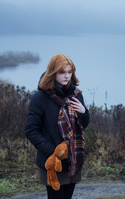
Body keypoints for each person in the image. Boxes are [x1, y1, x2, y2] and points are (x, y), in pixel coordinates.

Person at [26, 53, 90, 199]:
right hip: (53, 162)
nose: (67, 76)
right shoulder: (40, 98)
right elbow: (31, 130)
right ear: (53, 72)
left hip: (73, 160)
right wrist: (54, 152)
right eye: (62, 72)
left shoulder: (77, 95)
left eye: (69, 72)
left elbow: (82, 125)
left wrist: (84, 112)